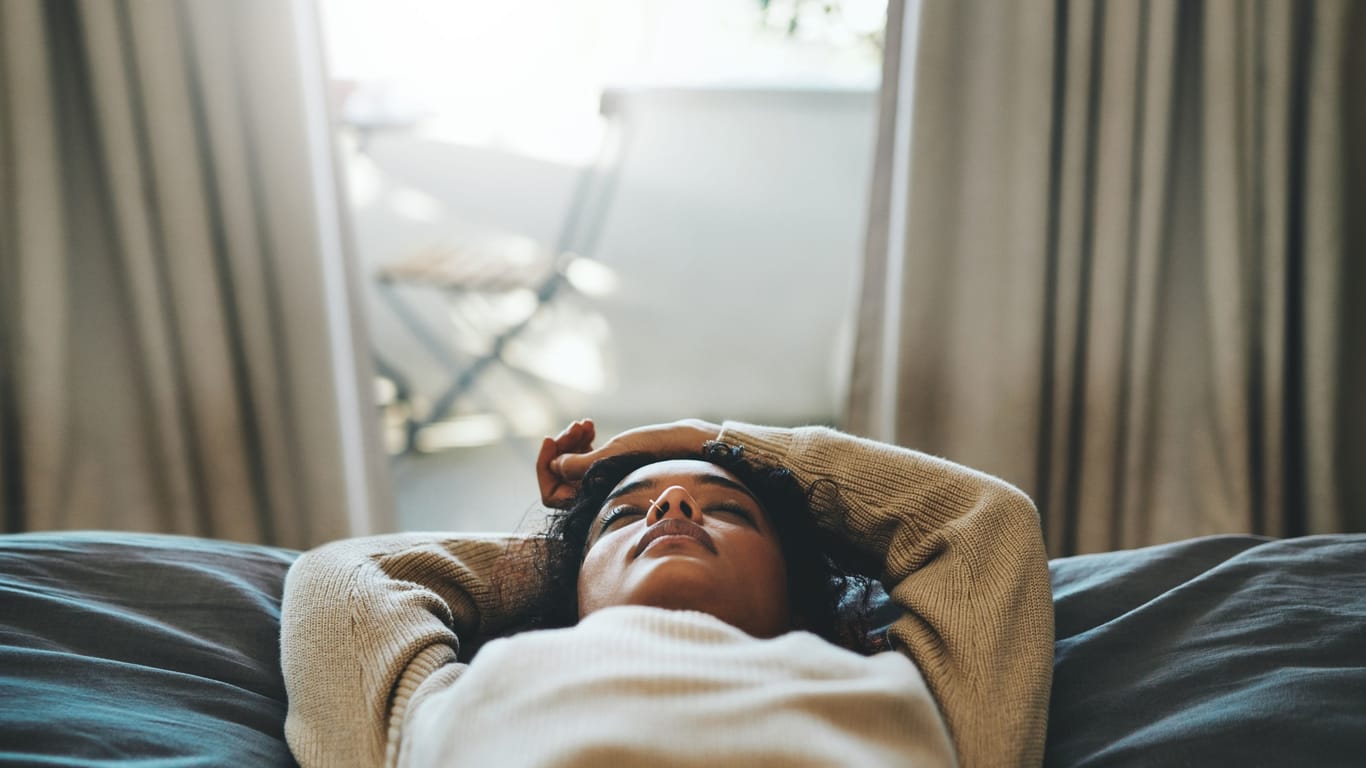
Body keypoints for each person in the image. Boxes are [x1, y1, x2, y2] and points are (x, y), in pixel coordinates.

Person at [280, 419, 1054, 767]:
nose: (673, 506)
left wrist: (705, 437)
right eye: (631, 515)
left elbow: (987, 522)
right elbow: (346, 577)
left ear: (795, 592)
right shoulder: (468, 691)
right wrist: (560, 557)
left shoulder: (895, 683)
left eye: (726, 508)